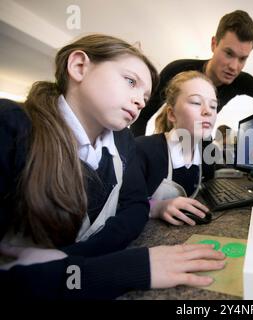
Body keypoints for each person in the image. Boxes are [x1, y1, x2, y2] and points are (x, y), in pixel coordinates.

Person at [0, 34, 225, 299]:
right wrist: (126, 267)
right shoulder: (11, 126)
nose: (140, 101)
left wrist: (67, 259)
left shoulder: (123, 142)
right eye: (130, 81)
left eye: (145, 95)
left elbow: (135, 206)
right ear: (79, 66)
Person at [130, 10, 253, 137]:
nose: (234, 67)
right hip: (171, 140)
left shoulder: (240, 81)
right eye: (229, 53)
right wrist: (137, 158)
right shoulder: (177, 70)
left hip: (201, 141)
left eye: (243, 58)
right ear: (214, 44)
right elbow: (142, 116)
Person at [136, 71, 216, 226]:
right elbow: (118, 203)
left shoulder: (206, 155)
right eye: (196, 102)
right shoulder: (144, 149)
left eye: (213, 105)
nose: (208, 111)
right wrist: (156, 207)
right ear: (172, 114)